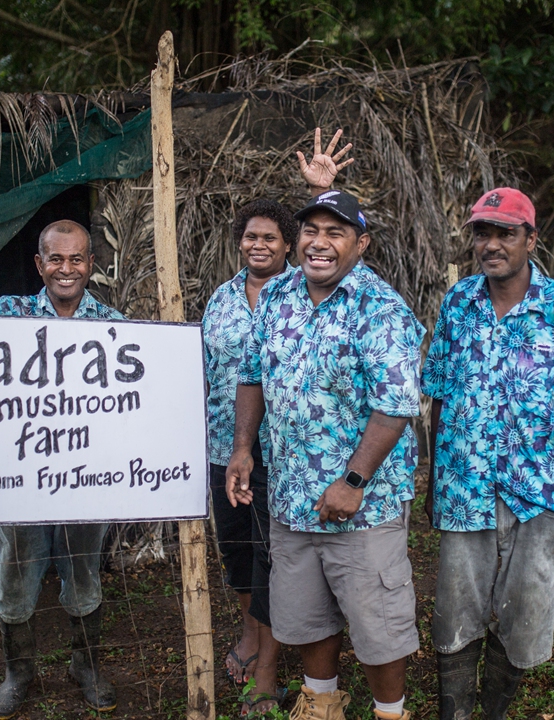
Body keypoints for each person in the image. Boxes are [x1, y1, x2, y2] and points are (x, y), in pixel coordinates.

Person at [227, 190, 425, 720]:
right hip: (293, 498)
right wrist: (243, 448)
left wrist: (353, 482)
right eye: (311, 230)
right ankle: (320, 703)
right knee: (312, 615)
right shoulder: (277, 296)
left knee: (377, 623)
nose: (319, 243)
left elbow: (395, 407)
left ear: (361, 244)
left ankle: (391, 713)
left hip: (364, 506)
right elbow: (251, 375)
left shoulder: (381, 309)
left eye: (334, 233)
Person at [421, 188, 554, 719]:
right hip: (464, 485)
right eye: (484, 232)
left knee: (526, 610)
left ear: (531, 238)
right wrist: (438, 478)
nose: (493, 244)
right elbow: (438, 390)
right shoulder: (459, 302)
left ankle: (495, 710)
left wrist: (542, 452)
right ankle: (455, 712)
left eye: (506, 232)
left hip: (539, 489)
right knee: (456, 610)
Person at [205, 130, 352, 718]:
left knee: (273, 556)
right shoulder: (219, 300)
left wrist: (321, 189)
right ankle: (253, 633)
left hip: (286, 453)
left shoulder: (298, 294)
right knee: (239, 554)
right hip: (226, 447)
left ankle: (267, 669)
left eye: (270, 237)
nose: (258, 244)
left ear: (289, 247)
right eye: (250, 236)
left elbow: (336, 241)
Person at [0, 219, 123, 719]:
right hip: (23, 482)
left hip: (85, 480)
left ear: (91, 265)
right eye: (56, 258)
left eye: (77, 258)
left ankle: (85, 665)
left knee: (84, 572)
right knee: (15, 575)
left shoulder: (116, 327)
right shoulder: (6, 315)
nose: (66, 268)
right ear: (39, 264)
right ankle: (20, 672)